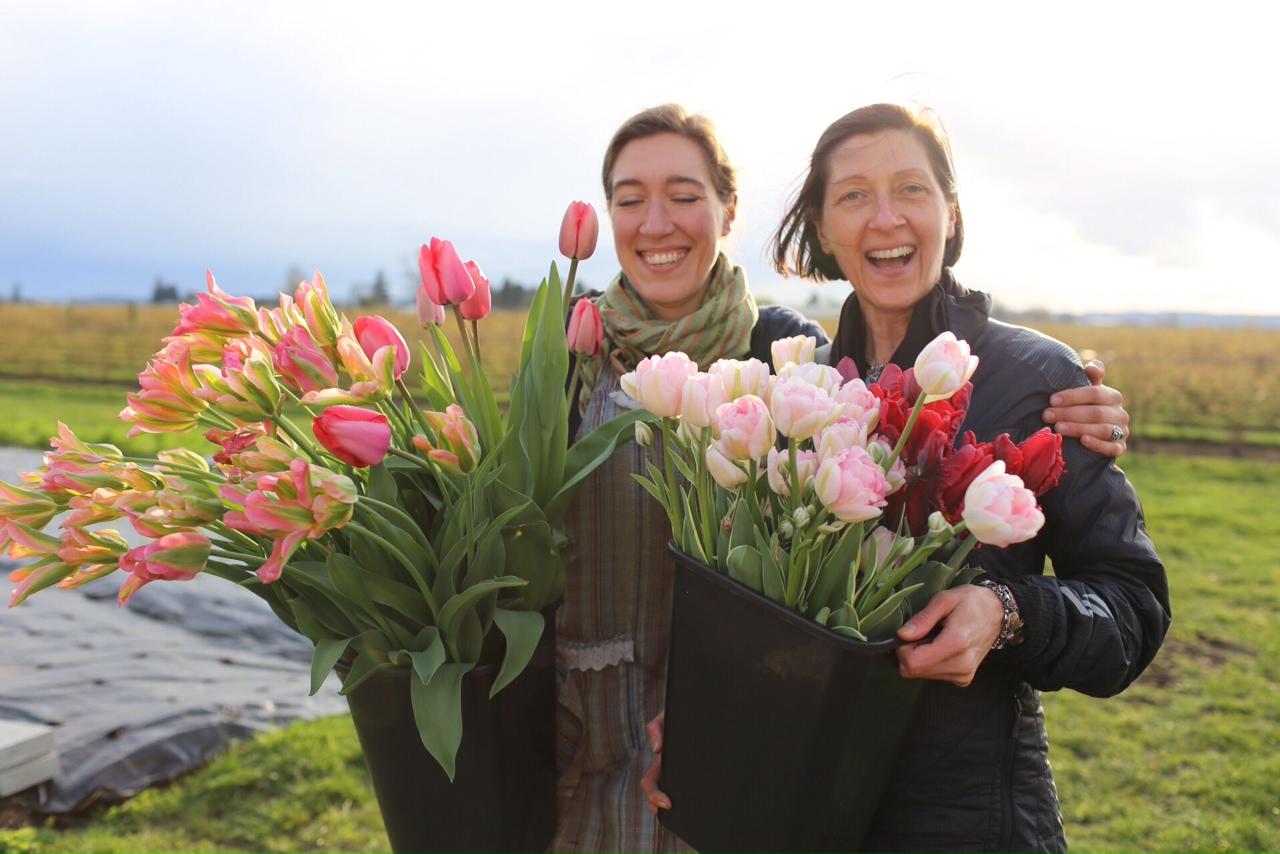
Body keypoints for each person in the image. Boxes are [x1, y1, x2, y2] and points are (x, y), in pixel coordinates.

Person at [560, 104, 1136, 854]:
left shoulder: (1036, 381)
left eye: (911, 189)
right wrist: (723, 720)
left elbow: (1130, 606)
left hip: (963, 824)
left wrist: (1006, 612)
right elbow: (780, 616)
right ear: (824, 229)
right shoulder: (814, 381)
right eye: (854, 195)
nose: (885, 217)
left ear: (951, 213)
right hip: (814, 812)